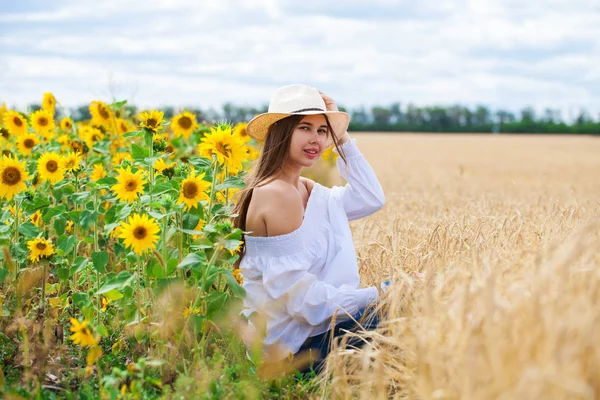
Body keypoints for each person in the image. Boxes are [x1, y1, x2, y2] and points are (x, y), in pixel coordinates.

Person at [232, 84, 389, 377]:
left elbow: (371, 198)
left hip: (314, 333)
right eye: (305, 127)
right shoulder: (277, 194)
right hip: (292, 354)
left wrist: (342, 138)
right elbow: (303, 302)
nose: (316, 139)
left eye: (322, 130)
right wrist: (379, 293)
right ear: (280, 132)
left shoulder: (307, 190)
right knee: (400, 318)